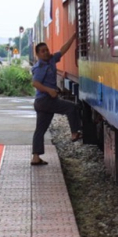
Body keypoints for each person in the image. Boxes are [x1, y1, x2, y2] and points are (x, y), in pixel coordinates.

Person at [30, 37, 80, 165]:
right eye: (42, 51)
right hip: (45, 100)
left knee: (40, 130)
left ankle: (36, 157)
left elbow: (62, 50)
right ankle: (74, 133)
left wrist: (73, 37)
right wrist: (49, 90)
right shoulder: (40, 66)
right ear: (37, 54)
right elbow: (35, 83)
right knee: (71, 108)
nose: (46, 52)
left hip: (42, 103)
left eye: (47, 50)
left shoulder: (51, 60)